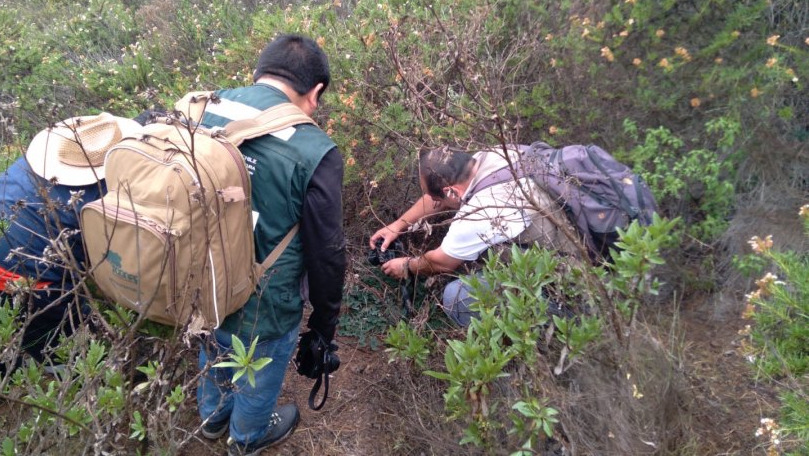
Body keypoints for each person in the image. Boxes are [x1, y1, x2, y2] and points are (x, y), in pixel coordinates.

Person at [195, 34, 346, 455]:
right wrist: (324, 323)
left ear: (258, 74)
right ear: (315, 92)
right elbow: (327, 254)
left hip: (202, 276)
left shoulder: (205, 107)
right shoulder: (317, 151)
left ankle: (211, 418)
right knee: (258, 369)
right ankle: (246, 437)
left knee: (212, 343)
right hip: (266, 299)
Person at [0, 113, 142, 375]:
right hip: (23, 280)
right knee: (54, 341)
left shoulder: (25, 167)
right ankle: (78, 376)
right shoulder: (100, 193)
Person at [370, 146, 581, 327]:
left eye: (436, 196)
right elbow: (441, 198)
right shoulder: (492, 156)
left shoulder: (483, 209)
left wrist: (406, 266)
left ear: (451, 191)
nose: (434, 201)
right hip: (588, 240)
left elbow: (441, 262)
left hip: (575, 284)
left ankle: (543, 336)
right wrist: (398, 225)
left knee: (457, 297)